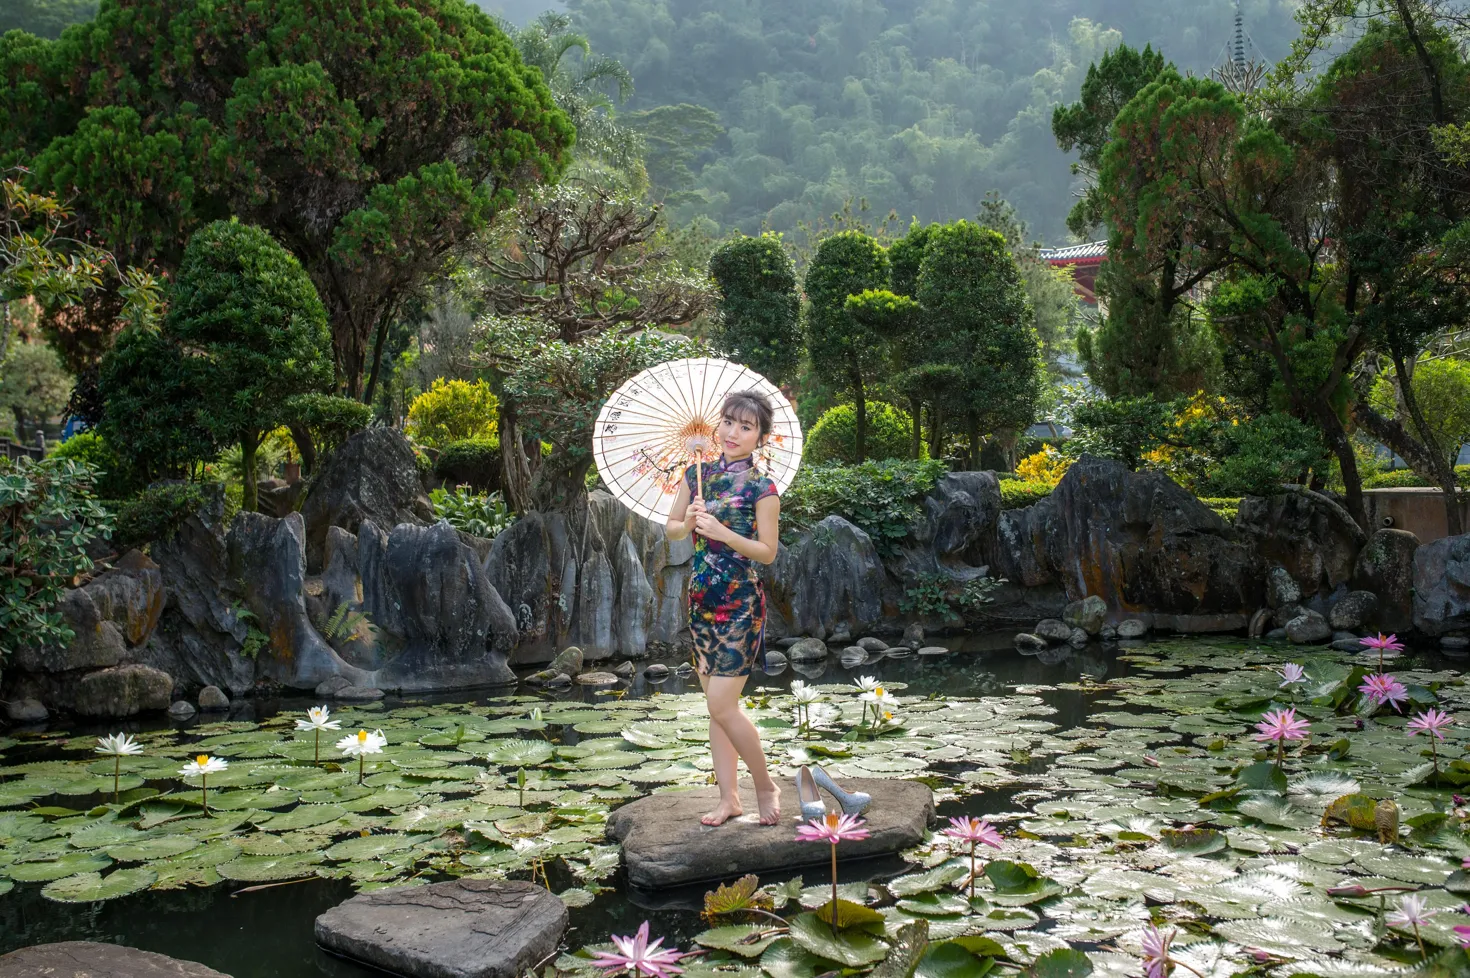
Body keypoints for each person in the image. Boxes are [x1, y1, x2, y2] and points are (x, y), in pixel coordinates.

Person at [665, 390, 783, 826]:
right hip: (700, 601)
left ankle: (765, 784)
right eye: (729, 422)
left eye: (746, 427)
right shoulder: (694, 476)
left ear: (760, 437)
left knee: (722, 704)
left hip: (740, 604)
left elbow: (767, 552)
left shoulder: (762, 487)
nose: (733, 432)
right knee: (716, 708)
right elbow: (672, 529)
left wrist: (723, 532)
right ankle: (728, 798)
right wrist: (691, 523)